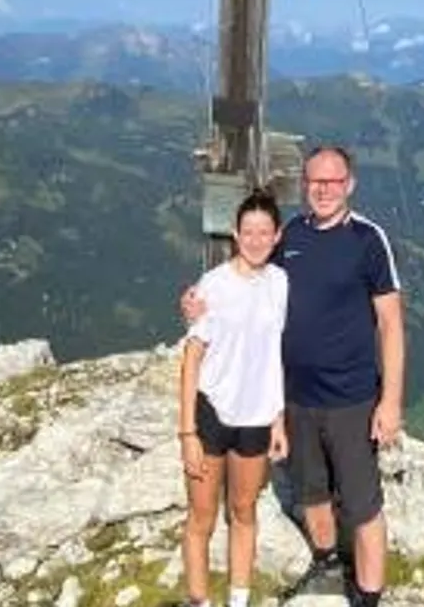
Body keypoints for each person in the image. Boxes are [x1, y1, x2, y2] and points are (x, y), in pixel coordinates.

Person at [182, 145, 405, 607]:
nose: (323, 190)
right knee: (312, 491)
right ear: (305, 185)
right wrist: (196, 303)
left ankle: (368, 596)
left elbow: (391, 323)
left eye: (333, 181)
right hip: (297, 398)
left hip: (351, 398)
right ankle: (326, 565)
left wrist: (390, 401)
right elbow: (250, 273)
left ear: (350, 185)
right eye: (315, 181)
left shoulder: (367, 239)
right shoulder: (292, 236)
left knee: (362, 503)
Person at [178, 189, 292, 607]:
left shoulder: (280, 283)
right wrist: (187, 432)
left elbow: (275, 354)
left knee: (244, 512)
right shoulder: (214, 284)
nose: (256, 240)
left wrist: (278, 419)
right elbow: (192, 359)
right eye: (248, 232)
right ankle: (199, 601)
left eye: (264, 232)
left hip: (257, 418)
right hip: (212, 412)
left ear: (277, 235)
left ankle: (238, 601)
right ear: (235, 234)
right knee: (202, 517)